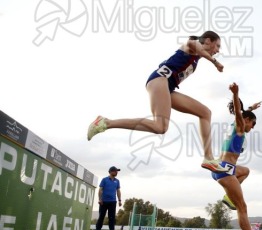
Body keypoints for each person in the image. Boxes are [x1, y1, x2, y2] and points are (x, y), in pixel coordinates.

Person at [87, 31, 228, 173]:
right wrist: (215, 62)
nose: (218, 50)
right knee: (160, 127)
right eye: (217, 46)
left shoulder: (197, 57)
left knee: (205, 112)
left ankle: (208, 158)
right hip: (159, 80)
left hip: (168, 87)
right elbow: (195, 45)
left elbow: (199, 53)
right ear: (208, 41)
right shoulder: (191, 44)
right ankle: (106, 122)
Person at [211, 82, 262, 230]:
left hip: (223, 168)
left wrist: (252, 108)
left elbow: (241, 113)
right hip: (225, 170)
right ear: (246, 121)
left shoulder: (233, 126)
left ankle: (228, 198)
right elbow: (238, 112)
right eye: (253, 124)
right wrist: (236, 94)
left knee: (246, 171)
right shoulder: (238, 127)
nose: (253, 128)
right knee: (242, 208)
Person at [94, 166, 122, 230]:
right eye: (115, 171)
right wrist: (100, 199)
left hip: (112, 202)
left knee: (112, 217)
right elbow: (100, 190)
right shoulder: (104, 180)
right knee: (101, 216)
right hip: (104, 201)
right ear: (111, 172)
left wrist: (119, 200)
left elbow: (118, 190)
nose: (117, 172)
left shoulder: (117, 181)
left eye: (117, 171)